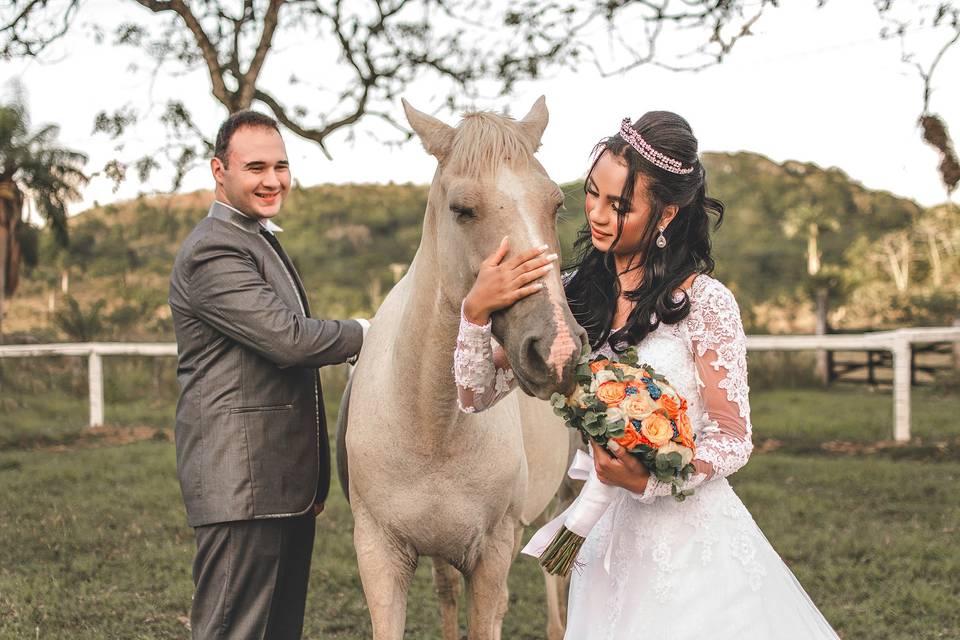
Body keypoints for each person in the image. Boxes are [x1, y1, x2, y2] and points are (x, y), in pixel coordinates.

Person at [453, 112, 841, 638]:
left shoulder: (706, 304)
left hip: (690, 545)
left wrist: (651, 477)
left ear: (665, 215)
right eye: (592, 194)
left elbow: (733, 437)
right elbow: (476, 395)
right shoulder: (567, 297)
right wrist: (475, 315)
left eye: (620, 205)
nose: (598, 215)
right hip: (607, 550)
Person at [169, 110, 367, 639]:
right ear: (219, 169)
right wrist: (371, 333)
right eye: (255, 166)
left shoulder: (256, 237)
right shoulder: (214, 248)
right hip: (242, 485)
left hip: (281, 485)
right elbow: (288, 339)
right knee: (234, 630)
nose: (273, 179)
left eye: (281, 165)